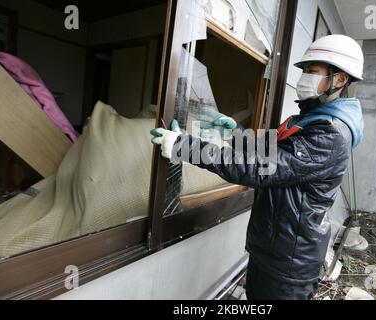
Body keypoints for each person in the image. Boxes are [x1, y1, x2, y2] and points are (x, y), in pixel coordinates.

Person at [150, 34, 365, 300]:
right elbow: (271, 152)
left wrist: (187, 147)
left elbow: (261, 168)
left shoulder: (329, 134)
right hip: (277, 250)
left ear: (340, 79)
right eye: (305, 71)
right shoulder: (313, 119)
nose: (303, 79)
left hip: (288, 265)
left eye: (312, 71)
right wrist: (234, 132)